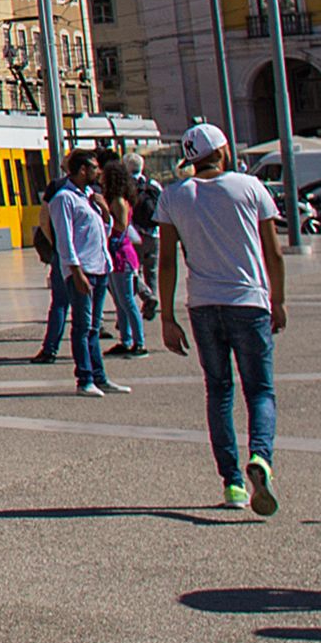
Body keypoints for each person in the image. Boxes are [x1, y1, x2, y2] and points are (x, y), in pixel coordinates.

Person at [158, 122, 287, 514]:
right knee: (260, 390)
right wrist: (278, 300)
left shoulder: (174, 195)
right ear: (222, 151)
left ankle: (232, 484)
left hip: (203, 305)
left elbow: (167, 262)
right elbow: (273, 252)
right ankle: (260, 457)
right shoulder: (251, 188)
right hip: (249, 302)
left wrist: (167, 317)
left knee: (218, 391)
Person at [44, 151, 118, 397]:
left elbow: (104, 231)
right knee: (82, 327)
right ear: (82, 170)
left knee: (94, 327)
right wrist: (75, 272)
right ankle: (84, 378)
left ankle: (99, 377)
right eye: (94, 167)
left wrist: (105, 212)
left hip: (100, 267)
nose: (99, 171)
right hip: (82, 269)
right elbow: (64, 240)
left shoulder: (89, 196)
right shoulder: (63, 199)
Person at [99, 159, 149, 359]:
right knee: (120, 301)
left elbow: (119, 226)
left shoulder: (118, 201)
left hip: (122, 255)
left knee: (127, 300)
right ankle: (126, 339)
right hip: (114, 255)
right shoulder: (114, 199)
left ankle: (139, 342)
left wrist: (104, 211)